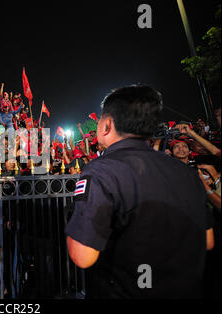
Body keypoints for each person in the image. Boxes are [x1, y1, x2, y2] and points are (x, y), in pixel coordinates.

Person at [65, 84, 214, 298]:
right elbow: (207, 240)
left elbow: (83, 255)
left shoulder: (101, 172)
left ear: (107, 124)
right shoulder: (185, 171)